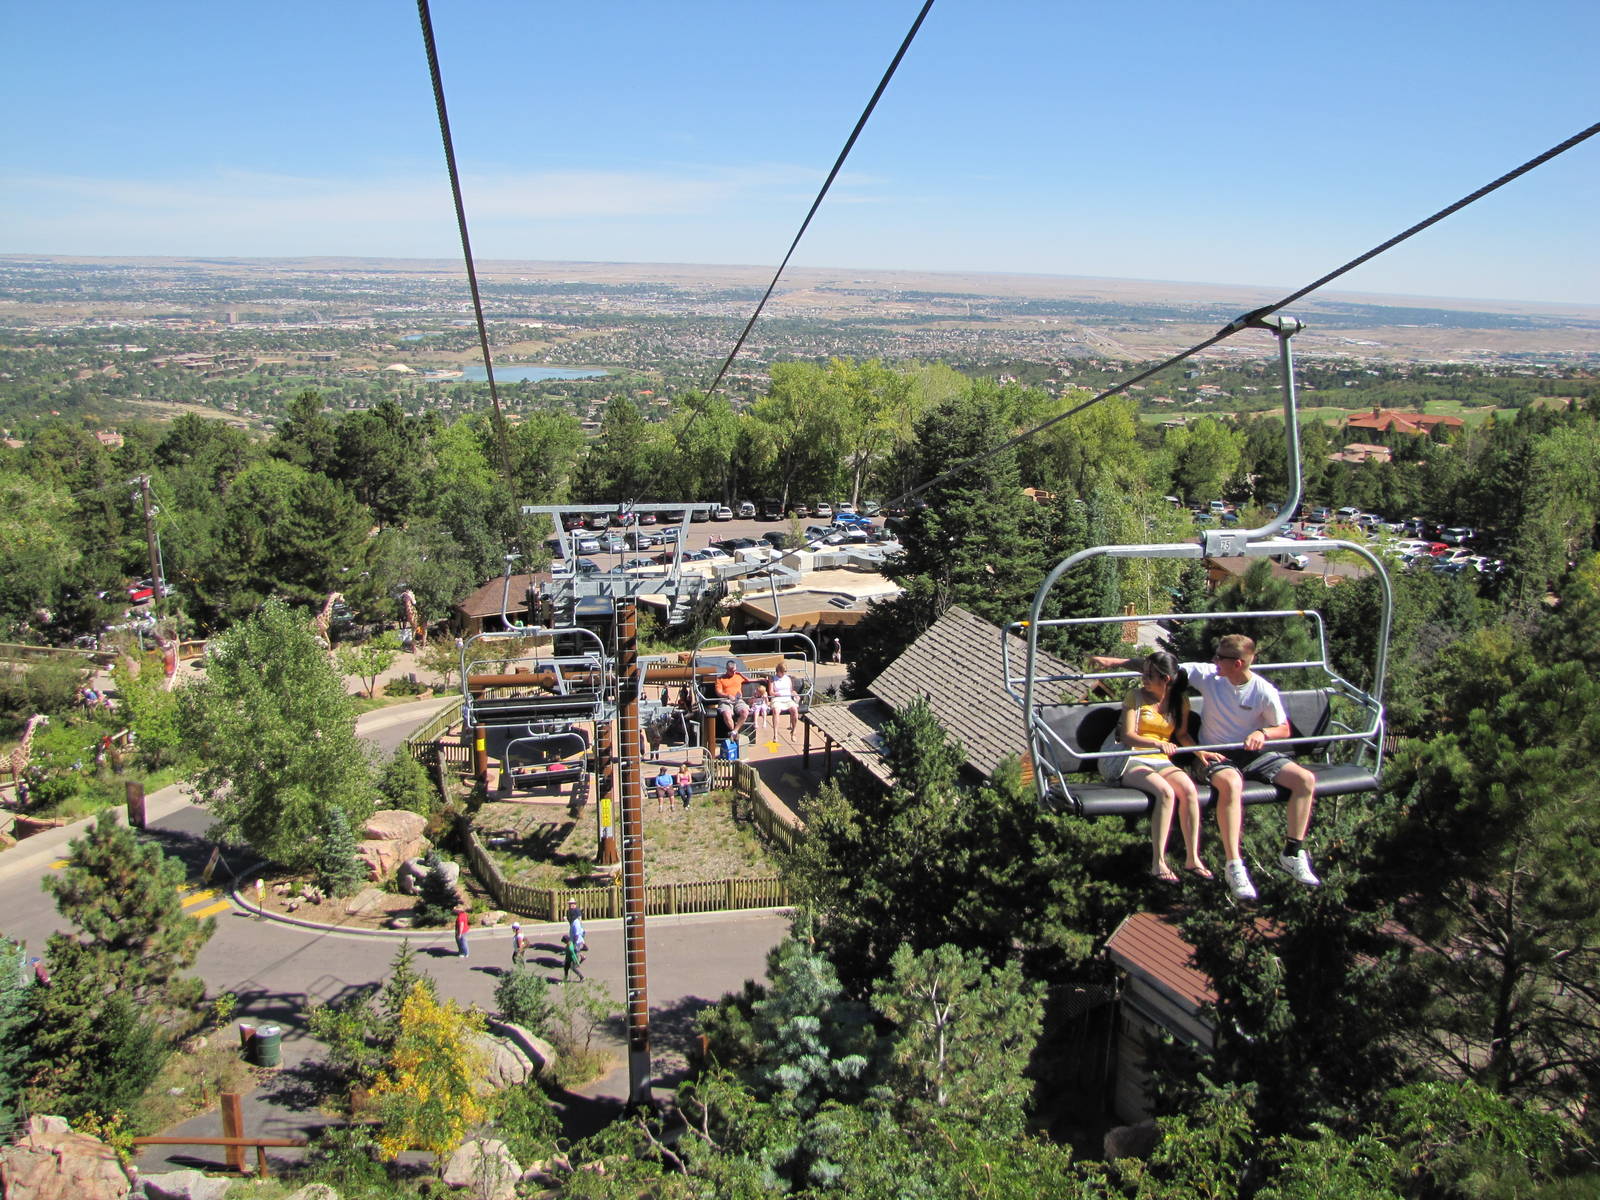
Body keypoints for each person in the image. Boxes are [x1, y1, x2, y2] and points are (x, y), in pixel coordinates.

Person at [1103, 652, 1208, 883]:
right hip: (1132, 758)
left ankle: (1193, 857)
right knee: (1165, 792)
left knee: (1189, 790)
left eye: (1150, 675)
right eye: (1144, 673)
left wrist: (1201, 753)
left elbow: (1181, 734)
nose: (1144, 679)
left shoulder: (1179, 702)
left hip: (1160, 760)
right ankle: (1158, 862)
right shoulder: (1135, 697)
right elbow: (1129, 736)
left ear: (1166, 679)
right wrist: (1156, 743)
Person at [713, 660, 752, 735]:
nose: (734, 672)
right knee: (727, 714)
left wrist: (763, 679)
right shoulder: (720, 679)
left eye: (735, 670)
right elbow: (719, 692)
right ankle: (734, 733)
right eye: (732, 671)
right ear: (727, 670)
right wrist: (727, 695)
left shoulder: (738, 676)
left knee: (745, 712)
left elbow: (749, 680)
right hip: (726, 700)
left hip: (738, 700)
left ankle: (734, 731)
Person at [768, 662, 800, 736]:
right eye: (782, 672)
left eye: (784, 672)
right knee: (776, 711)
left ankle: (794, 730)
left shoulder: (788, 678)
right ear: (778, 671)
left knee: (794, 709)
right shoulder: (772, 679)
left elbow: (791, 690)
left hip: (787, 698)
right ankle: (775, 734)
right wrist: (776, 694)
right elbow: (771, 692)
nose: (783, 674)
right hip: (777, 699)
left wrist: (795, 694)